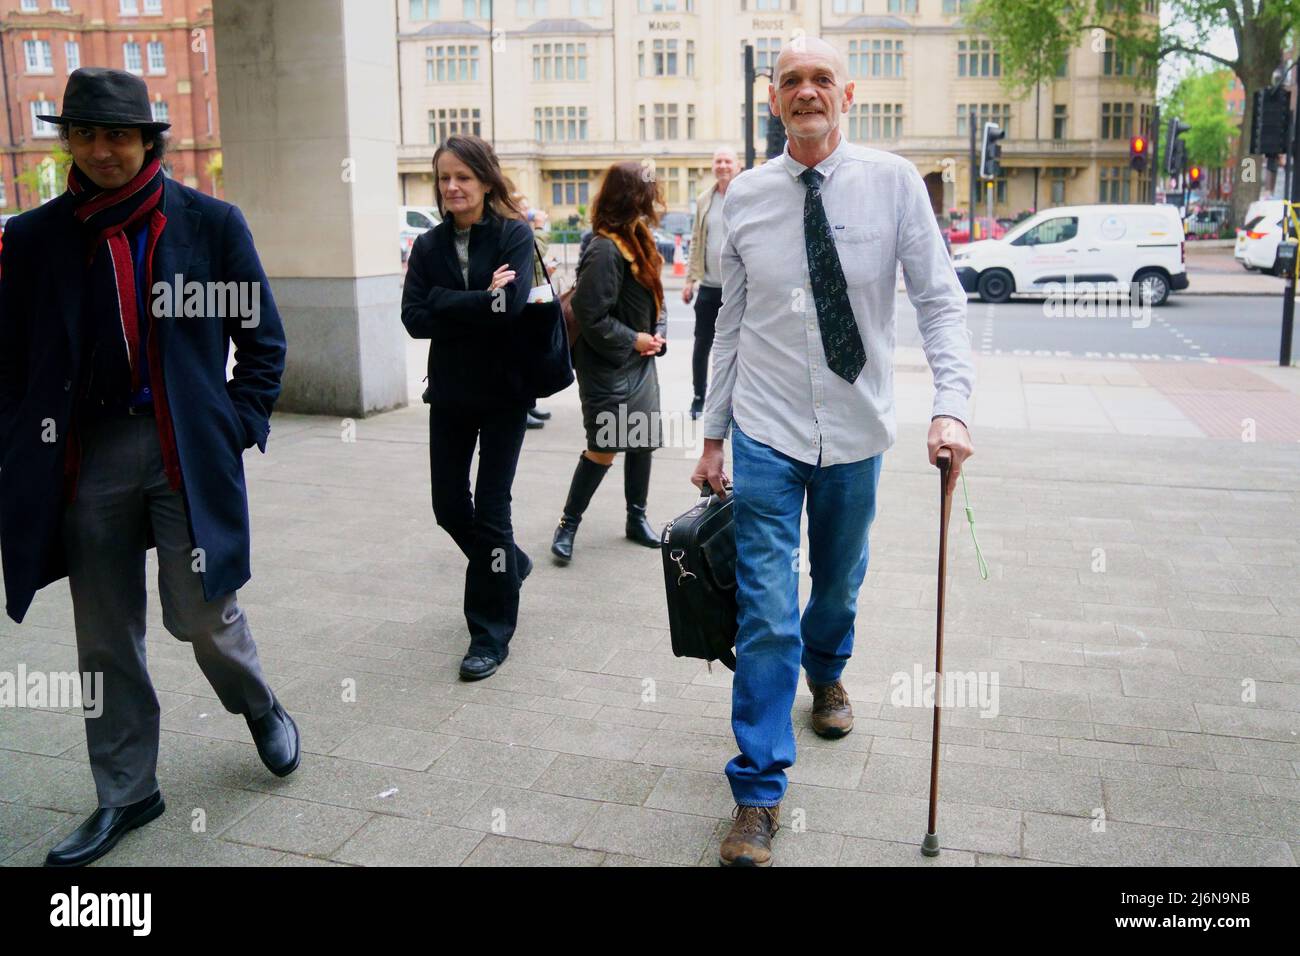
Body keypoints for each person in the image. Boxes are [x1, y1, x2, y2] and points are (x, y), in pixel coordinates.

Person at [0, 68, 295, 867]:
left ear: (147, 140)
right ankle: (126, 791)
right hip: (85, 454)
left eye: (119, 134)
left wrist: (233, 424)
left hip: (183, 451)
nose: (102, 149)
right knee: (103, 637)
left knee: (200, 612)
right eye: (87, 133)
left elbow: (262, 341)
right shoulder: (34, 240)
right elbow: (11, 361)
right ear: (68, 140)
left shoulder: (209, 224)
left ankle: (259, 703)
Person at [691, 38, 975, 867]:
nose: (807, 93)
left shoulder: (891, 185)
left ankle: (830, 669)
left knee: (840, 581)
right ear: (773, 100)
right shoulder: (744, 198)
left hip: (857, 432)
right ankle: (757, 791)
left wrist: (951, 410)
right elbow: (727, 328)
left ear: (846, 93)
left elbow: (940, 303)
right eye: (791, 83)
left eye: (821, 80)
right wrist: (712, 437)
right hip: (767, 432)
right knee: (764, 612)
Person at [401, 135, 536, 682]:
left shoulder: (513, 235)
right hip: (451, 391)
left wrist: (448, 302)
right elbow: (413, 318)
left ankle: (489, 633)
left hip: (505, 392)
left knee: (492, 508)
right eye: (443, 178)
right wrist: (478, 298)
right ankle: (511, 567)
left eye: (463, 176)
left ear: (485, 180)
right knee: (448, 506)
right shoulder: (430, 246)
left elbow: (510, 306)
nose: (452, 187)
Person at [550, 162, 668, 564]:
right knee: (604, 446)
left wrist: (657, 334)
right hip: (607, 364)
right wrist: (634, 339)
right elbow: (589, 313)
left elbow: (655, 297)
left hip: (638, 360)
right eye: (650, 190)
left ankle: (637, 518)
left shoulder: (638, 236)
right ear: (633, 195)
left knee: (643, 441)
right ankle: (568, 523)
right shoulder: (604, 247)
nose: (656, 197)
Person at [683, 147, 740, 420]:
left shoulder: (746, 195)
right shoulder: (705, 199)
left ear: (737, 165)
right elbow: (696, 239)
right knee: (701, 344)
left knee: (739, 346)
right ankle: (698, 397)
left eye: (728, 160)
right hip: (708, 286)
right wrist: (688, 279)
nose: (723, 165)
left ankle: (736, 400)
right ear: (713, 166)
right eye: (718, 161)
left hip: (739, 287)